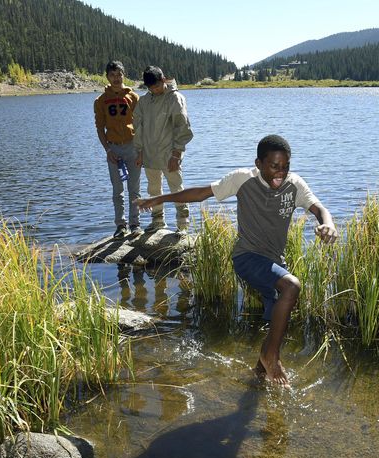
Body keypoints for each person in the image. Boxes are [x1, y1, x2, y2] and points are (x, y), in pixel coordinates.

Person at [136, 135, 338, 386]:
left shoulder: (294, 184)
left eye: (285, 166)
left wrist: (327, 224)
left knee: (279, 318)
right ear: (259, 163)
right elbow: (200, 194)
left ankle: (260, 376)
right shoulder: (243, 179)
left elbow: (319, 208)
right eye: (274, 166)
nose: (281, 172)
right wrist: (159, 199)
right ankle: (271, 357)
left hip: (275, 264)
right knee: (292, 286)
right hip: (247, 257)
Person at [133, 65, 194, 233]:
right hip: (150, 155)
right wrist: (139, 152)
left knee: (176, 188)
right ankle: (158, 222)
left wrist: (176, 155)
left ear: (163, 79)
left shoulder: (175, 99)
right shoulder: (144, 101)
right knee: (153, 189)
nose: (155, 90)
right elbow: (138, 128)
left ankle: (183, 225)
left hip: (169, 155)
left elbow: (183, 129)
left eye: (157, 86)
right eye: (151, 88)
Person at [94, 60, 142, 239]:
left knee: (134, 188)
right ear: (107, 77)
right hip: (114, 149)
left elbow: (141, 125)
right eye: (112, 75)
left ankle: (135, 224)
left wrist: (141, 150)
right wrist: (108, 150)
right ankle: (121, 225)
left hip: (133, 147)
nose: (116, 78)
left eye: (119, 74)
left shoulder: (133, 97)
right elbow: (99, 128)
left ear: (124, 75)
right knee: (117, 190)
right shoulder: (101, 100)